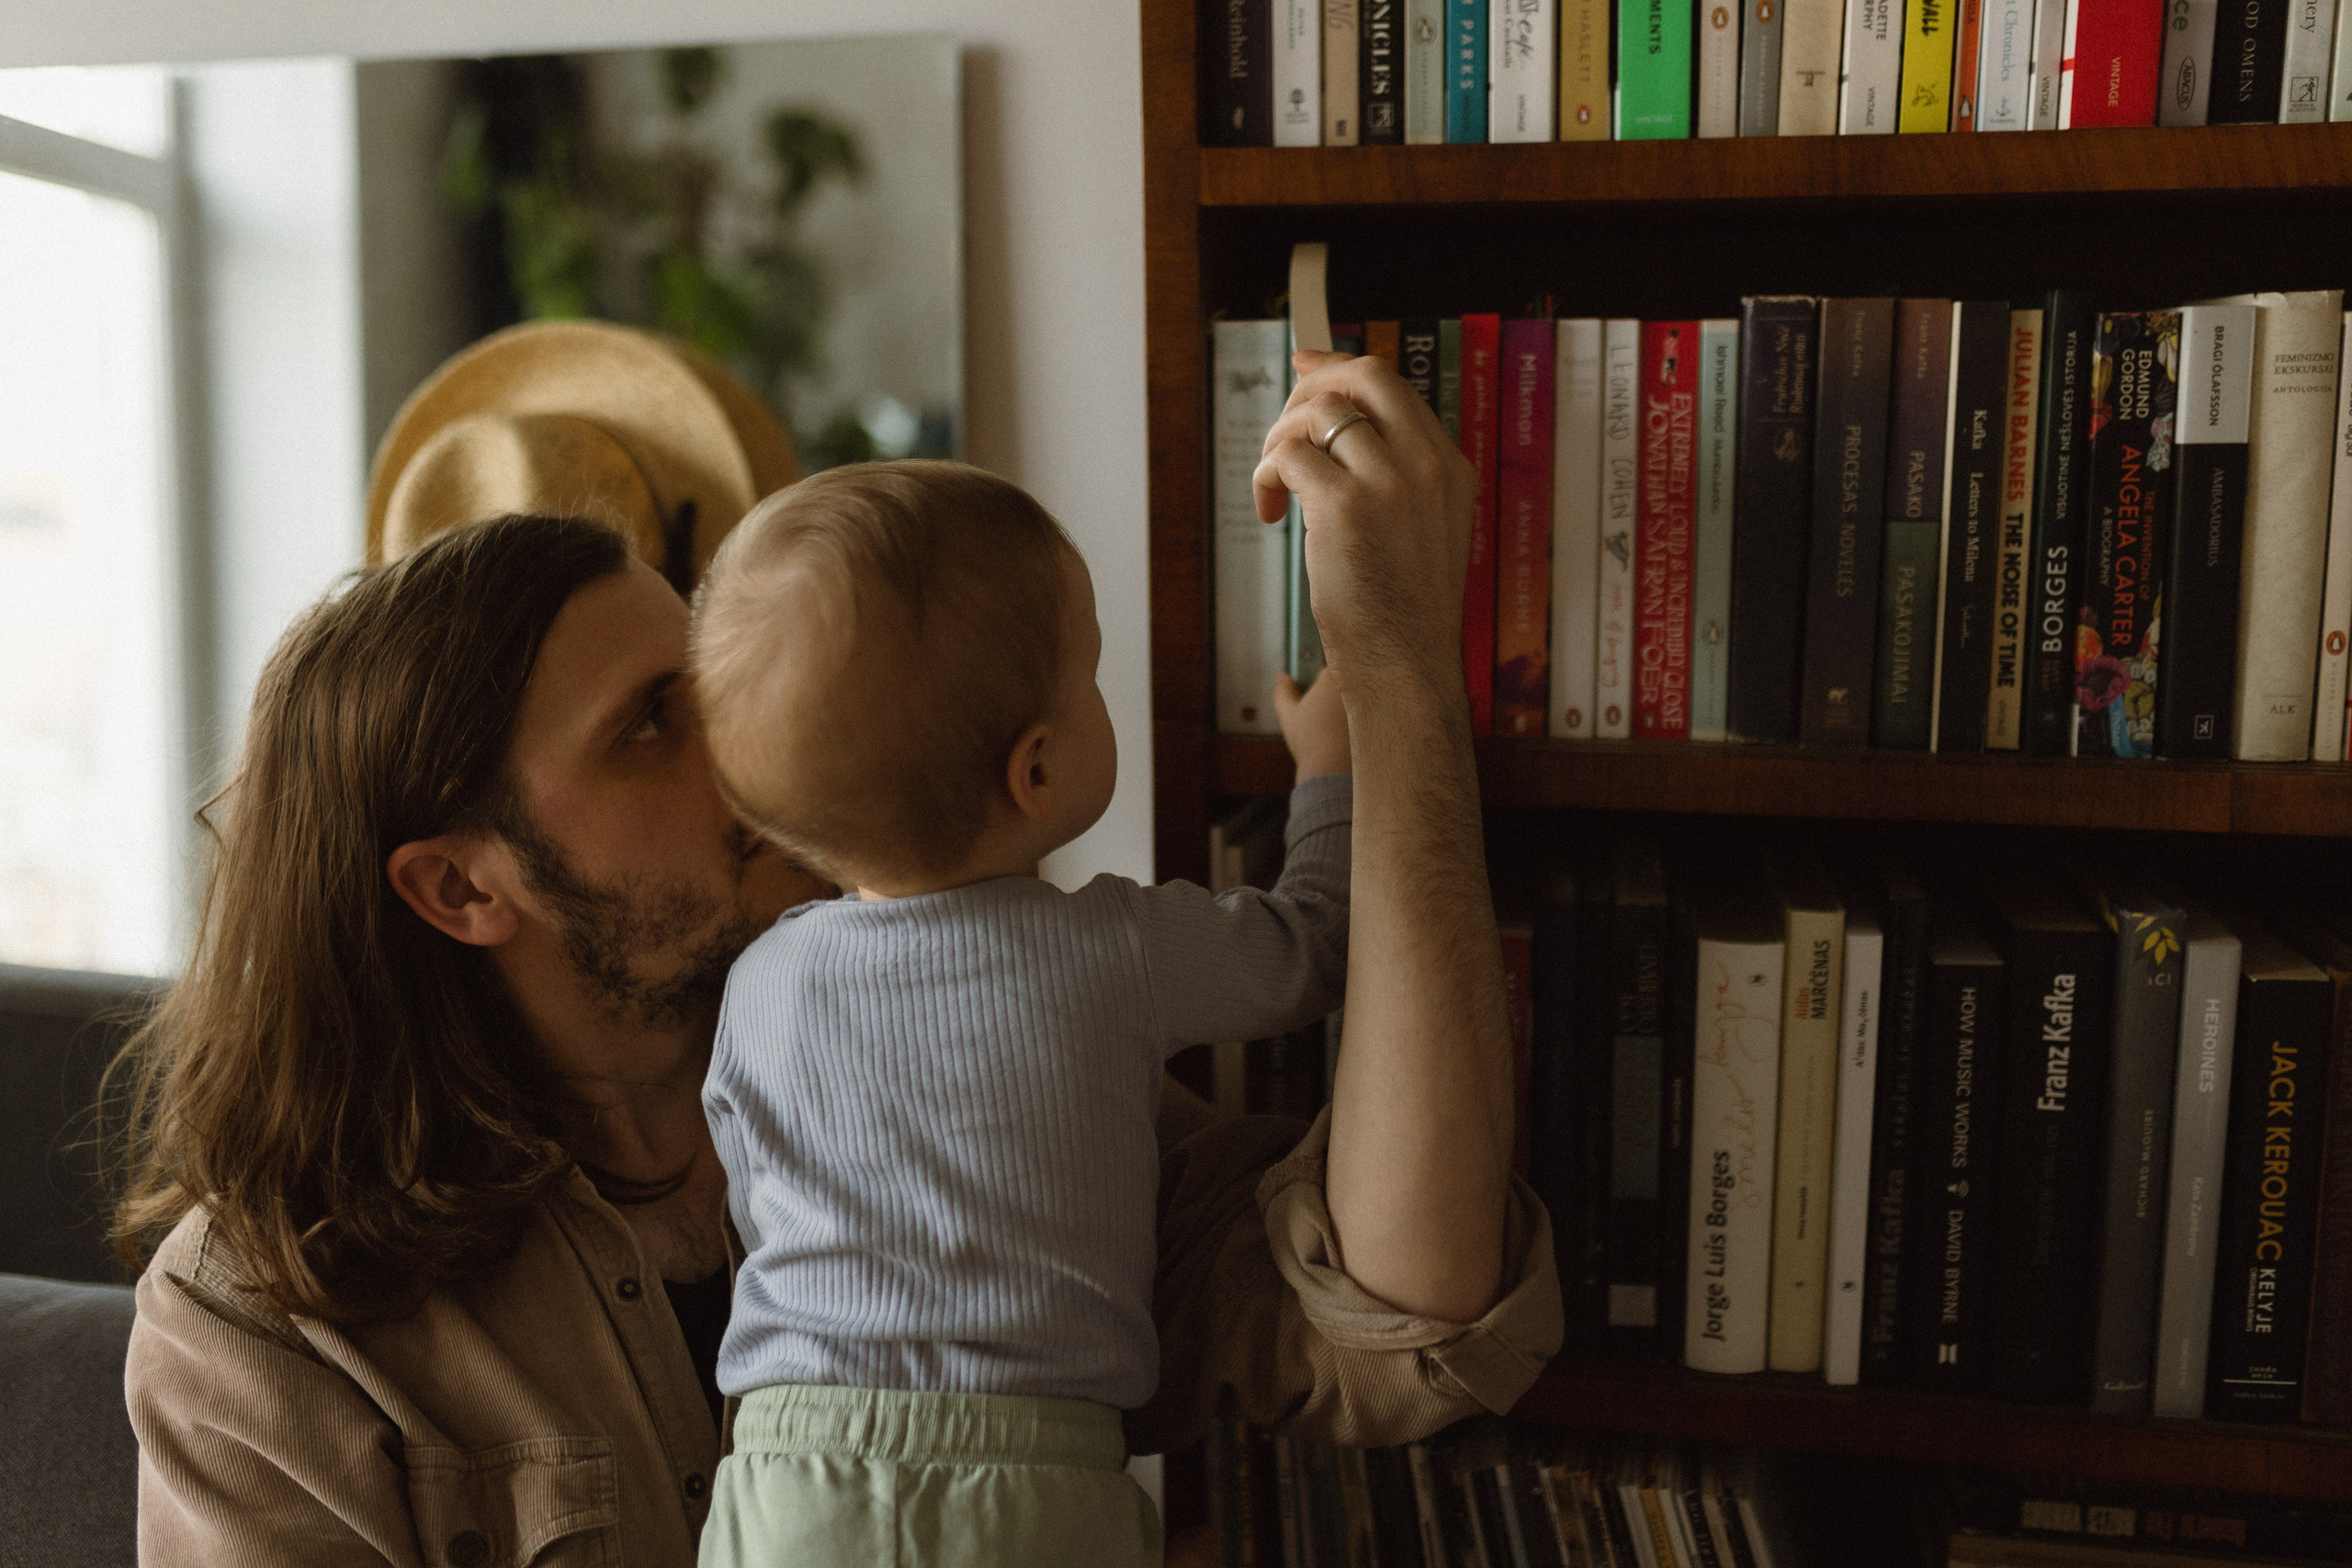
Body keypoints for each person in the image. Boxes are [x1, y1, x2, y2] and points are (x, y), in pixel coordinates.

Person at [113, 334, 1560, 1567]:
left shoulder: (952, 1060)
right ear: (459, 886)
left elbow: (1412, 1316)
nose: (751, 764)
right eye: (651, 725)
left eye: (714, 689)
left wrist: (1401, 677)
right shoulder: (259, 1328)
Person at [684, 460, 1353, 1565]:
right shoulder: (1110, 948)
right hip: (1032, 1474)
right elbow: (1310, 951)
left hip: (785, 1469)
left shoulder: (760, 985)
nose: (1103, 687)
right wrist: (1330, 770)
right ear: (1034, 770)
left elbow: (761, 1204)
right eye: (1088, 671)